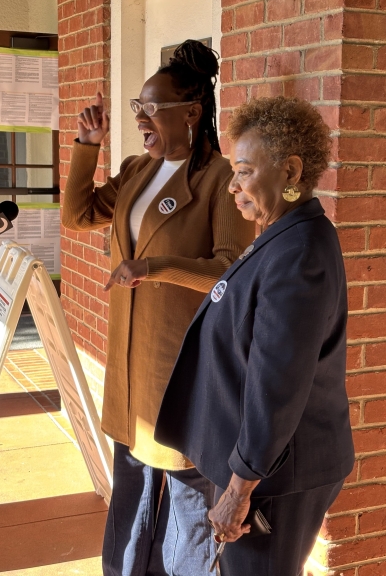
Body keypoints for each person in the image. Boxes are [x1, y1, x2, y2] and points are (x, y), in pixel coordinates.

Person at [62, 40, 254, 576]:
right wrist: (87, 143)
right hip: (131, 362)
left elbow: (231, 269)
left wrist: (155, 267)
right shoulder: (137, 172)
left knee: (189, 499)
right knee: (132, 489)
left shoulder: (220, 179)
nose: (142, 118)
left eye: (153, 108)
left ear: (192, 112)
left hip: (182, 363)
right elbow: (78, 214)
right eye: (137, 109)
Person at [155, 96, 355, 576]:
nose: (232, 187)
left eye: (244, 171)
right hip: (263, 468)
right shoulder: (280, 236)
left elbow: (277, 386)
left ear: (289, 171)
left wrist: (239, 489)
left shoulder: (299, 251)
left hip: (275, 478)